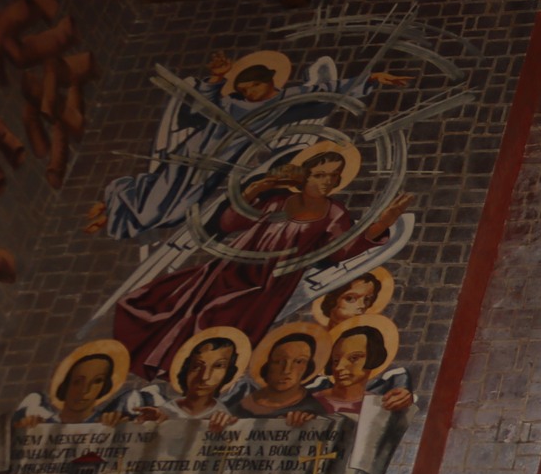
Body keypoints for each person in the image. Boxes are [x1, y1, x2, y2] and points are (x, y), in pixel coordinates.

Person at [114, 145, 413, 379]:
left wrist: (381, 223)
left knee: (218, 320)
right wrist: (258, 187)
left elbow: (340, 250)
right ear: (304, 176)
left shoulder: (334, 212)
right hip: (229, 268)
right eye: (321, 174)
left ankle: (192, 374)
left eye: (335, 175)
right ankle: (162, 363)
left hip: (267, 284)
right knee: (176, 307)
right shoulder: (277, 200)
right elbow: (230, 223)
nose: (329, 181)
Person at [88, 51, 405, 244]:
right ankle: (117, 204)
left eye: (253, 85)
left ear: (270, 80)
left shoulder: (286, 100)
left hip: (217, 163)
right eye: (243, 88)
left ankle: (119, 202)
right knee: (165, 198)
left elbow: (326, 90)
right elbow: (195, 110)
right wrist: (215, 80)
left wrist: (372, 79)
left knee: (178, 208)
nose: (249, 92)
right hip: (193, 152)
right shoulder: (229, 102)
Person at [134, 331, 246, 426]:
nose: (204, 377)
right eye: (197, 366)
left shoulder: (222, 416)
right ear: (186, 369)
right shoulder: (166, 410)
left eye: (218, 366)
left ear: (228, 372)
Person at [228, 327, 328, 423]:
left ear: (308, 367)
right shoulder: (242, 405)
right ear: (267, 365)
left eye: (299, 362)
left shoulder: (312, 411)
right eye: (279, 361)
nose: (286, 370)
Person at [312, 322, 411, 415]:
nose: (339, 367)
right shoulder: (312, 401)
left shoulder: (380, 404)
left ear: (373, 357)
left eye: (354, 358)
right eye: (336, 360)